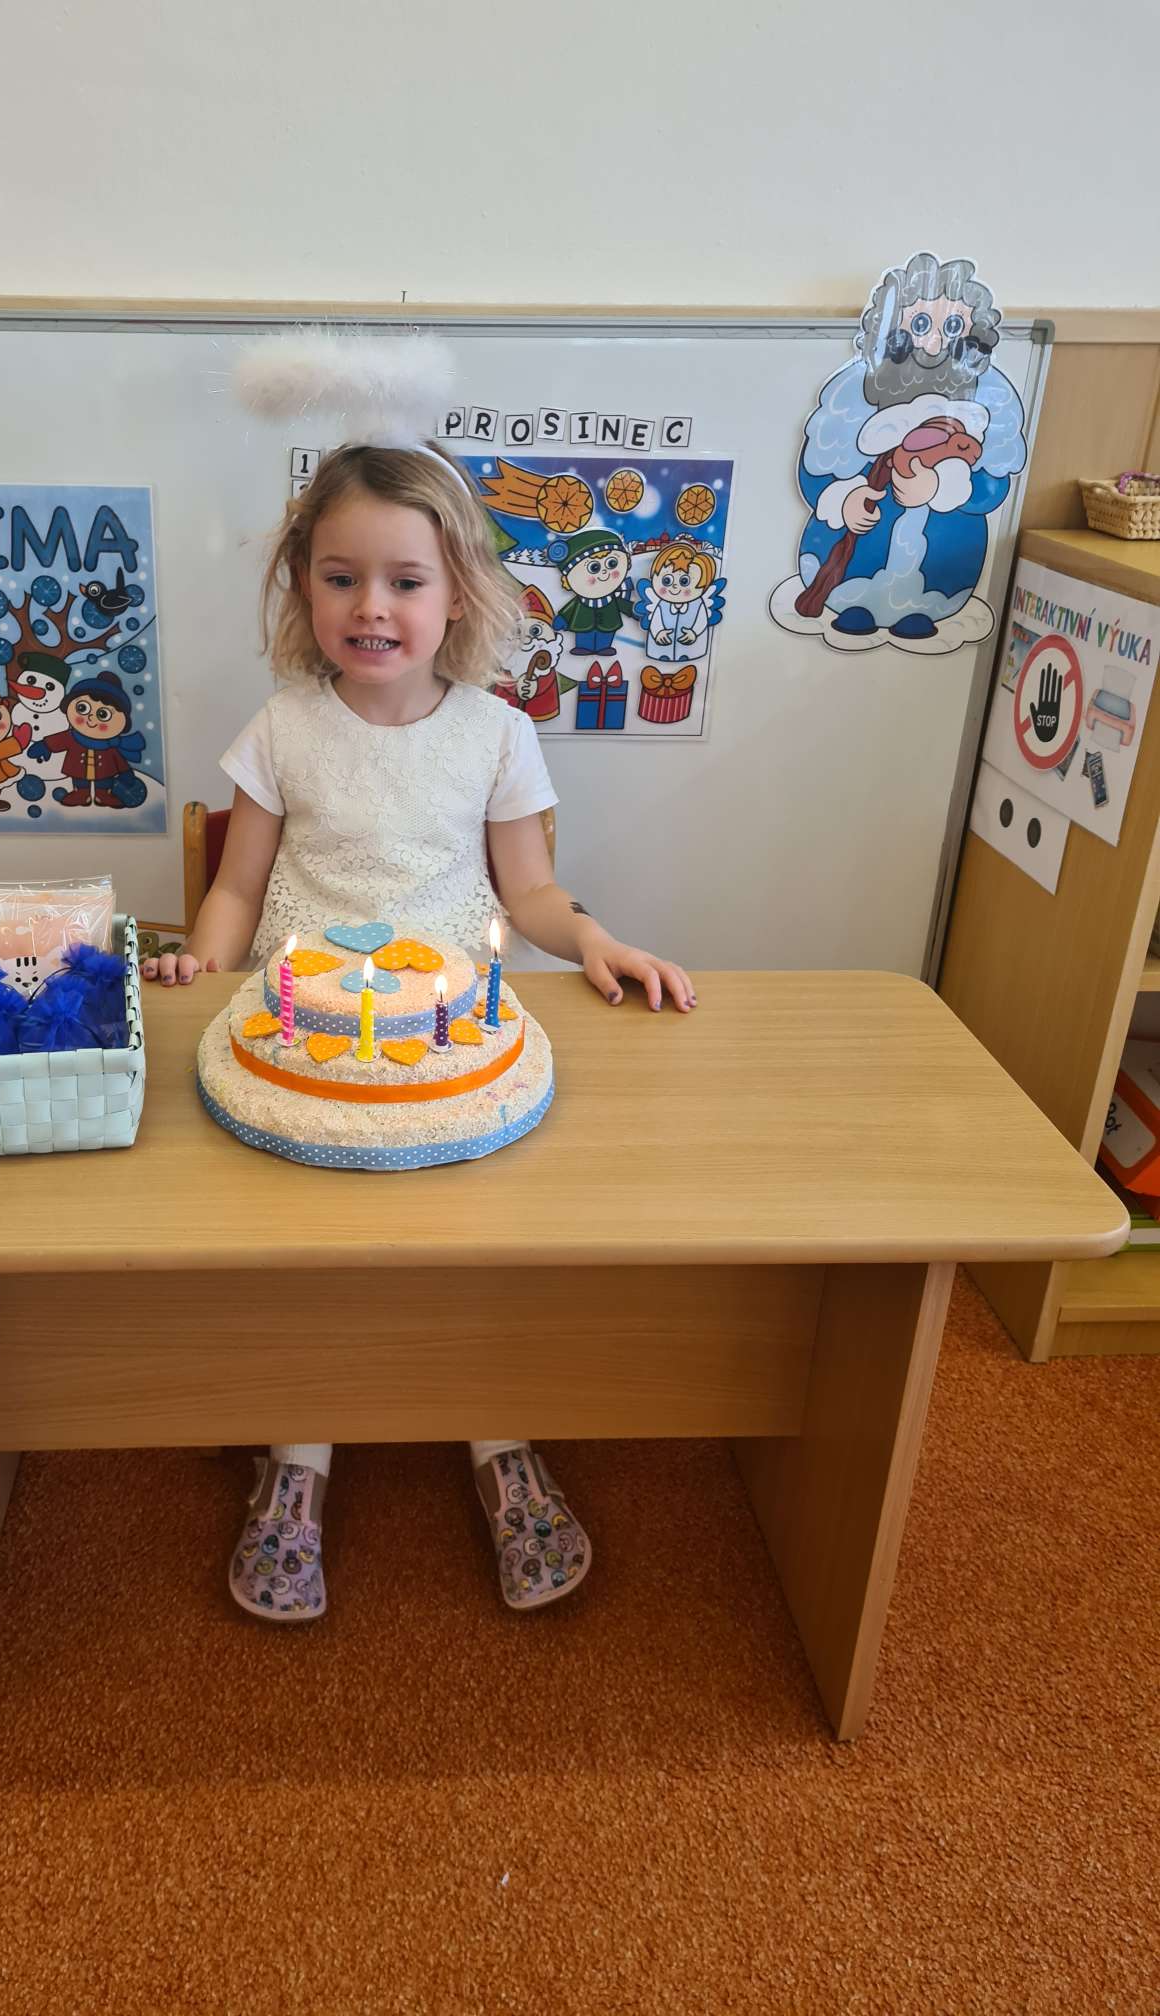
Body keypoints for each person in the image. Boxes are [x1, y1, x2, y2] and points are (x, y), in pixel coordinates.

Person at [140, 440, 696, 1621]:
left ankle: (498, 1435)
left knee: (469, 1246)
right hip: (301, 1036)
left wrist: (593, 939)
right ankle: (298, 1456)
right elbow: (236, 887)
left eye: (404, 580)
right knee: (304, 1250)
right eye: (341, 578)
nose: (372, 607)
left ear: (459, 594)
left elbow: (530, 892)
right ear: (301, 585)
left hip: (450, 1046)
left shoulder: (496, 733)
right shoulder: (281, 728)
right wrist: (201, 963)